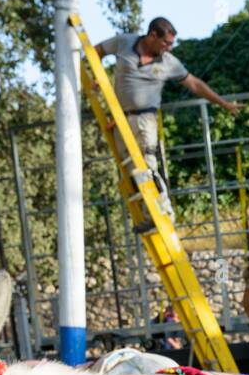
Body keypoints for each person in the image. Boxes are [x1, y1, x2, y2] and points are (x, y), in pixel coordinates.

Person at [95, 17, 241, 222]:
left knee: (147, 165)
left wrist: (223, 103)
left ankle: (164, 212)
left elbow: (195, 84)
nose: (169, 48)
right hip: (121, 119)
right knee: (130, 172)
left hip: (146, 118)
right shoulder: (124, 42)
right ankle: (149, 215)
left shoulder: (168, 62)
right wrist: (95, 75)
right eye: (166, 43)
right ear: (153, 35)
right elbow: (97, 51)